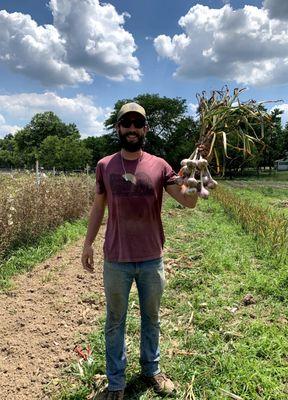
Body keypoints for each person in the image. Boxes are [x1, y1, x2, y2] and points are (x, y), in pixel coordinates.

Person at [81, 102, 198, 400]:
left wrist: (197, 177)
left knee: (151, 317)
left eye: (137, 123)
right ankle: (116, 383)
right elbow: (98, 206)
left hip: (150, 258)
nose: (132, 128)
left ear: (145, 129)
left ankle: (151, 370)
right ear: (118, 128)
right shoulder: (105, 165)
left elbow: (189, 202)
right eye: (126, 123)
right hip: (116, 259)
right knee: (115, 321)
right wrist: (88, 242)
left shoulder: (160, 165)